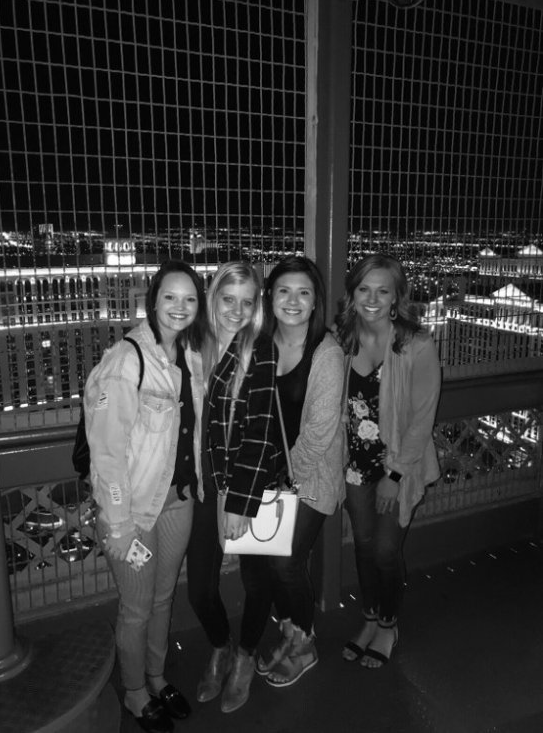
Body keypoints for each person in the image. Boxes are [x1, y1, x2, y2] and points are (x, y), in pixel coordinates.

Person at [84, 260, 207, 733]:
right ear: (153, 300)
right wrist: (116, 523)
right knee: (136, 607)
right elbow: (107, 453)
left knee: (161, 598)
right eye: (170, 297)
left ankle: (155, 676)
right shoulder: (126, 360)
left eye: (190, 298)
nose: (180, 307)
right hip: (133, 511)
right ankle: (134, 690)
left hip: (178, 499)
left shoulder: (190, 357)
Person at [336, 253, 441, 669]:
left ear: (398, 296)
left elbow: (422, 417)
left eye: (383, 290)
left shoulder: (416, 344)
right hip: (354, 465)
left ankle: (388, 623)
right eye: (364, 288)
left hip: (398, 465)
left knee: (384, 549)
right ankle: (368, 617)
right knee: (362, 546)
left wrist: (394, 475)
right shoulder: (340, 339)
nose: (372, 298)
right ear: (352, 293)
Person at [186, 261, 278, 714]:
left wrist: (240, 501)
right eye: (228, 299)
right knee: (199, 589)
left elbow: (261, 431)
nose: (237, 311)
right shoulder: (194, 344)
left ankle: (245, 655)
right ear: (213, 296)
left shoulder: (259, 350)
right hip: (205, 483)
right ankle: (221, 645)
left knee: (257, 581)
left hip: (248, 484)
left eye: (247, 302)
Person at [255, 254, 345, 688]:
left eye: (303, 292)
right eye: (284, 290)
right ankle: (290, 630)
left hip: (309, 475)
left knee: (288, 563)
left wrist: (284, 479)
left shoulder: (326, 353)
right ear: (269, 296)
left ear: (315, 303)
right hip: (267, 473)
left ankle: (305, 643)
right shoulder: (260, 342)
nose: (293, 300)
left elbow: (320, 433)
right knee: (272, 564)